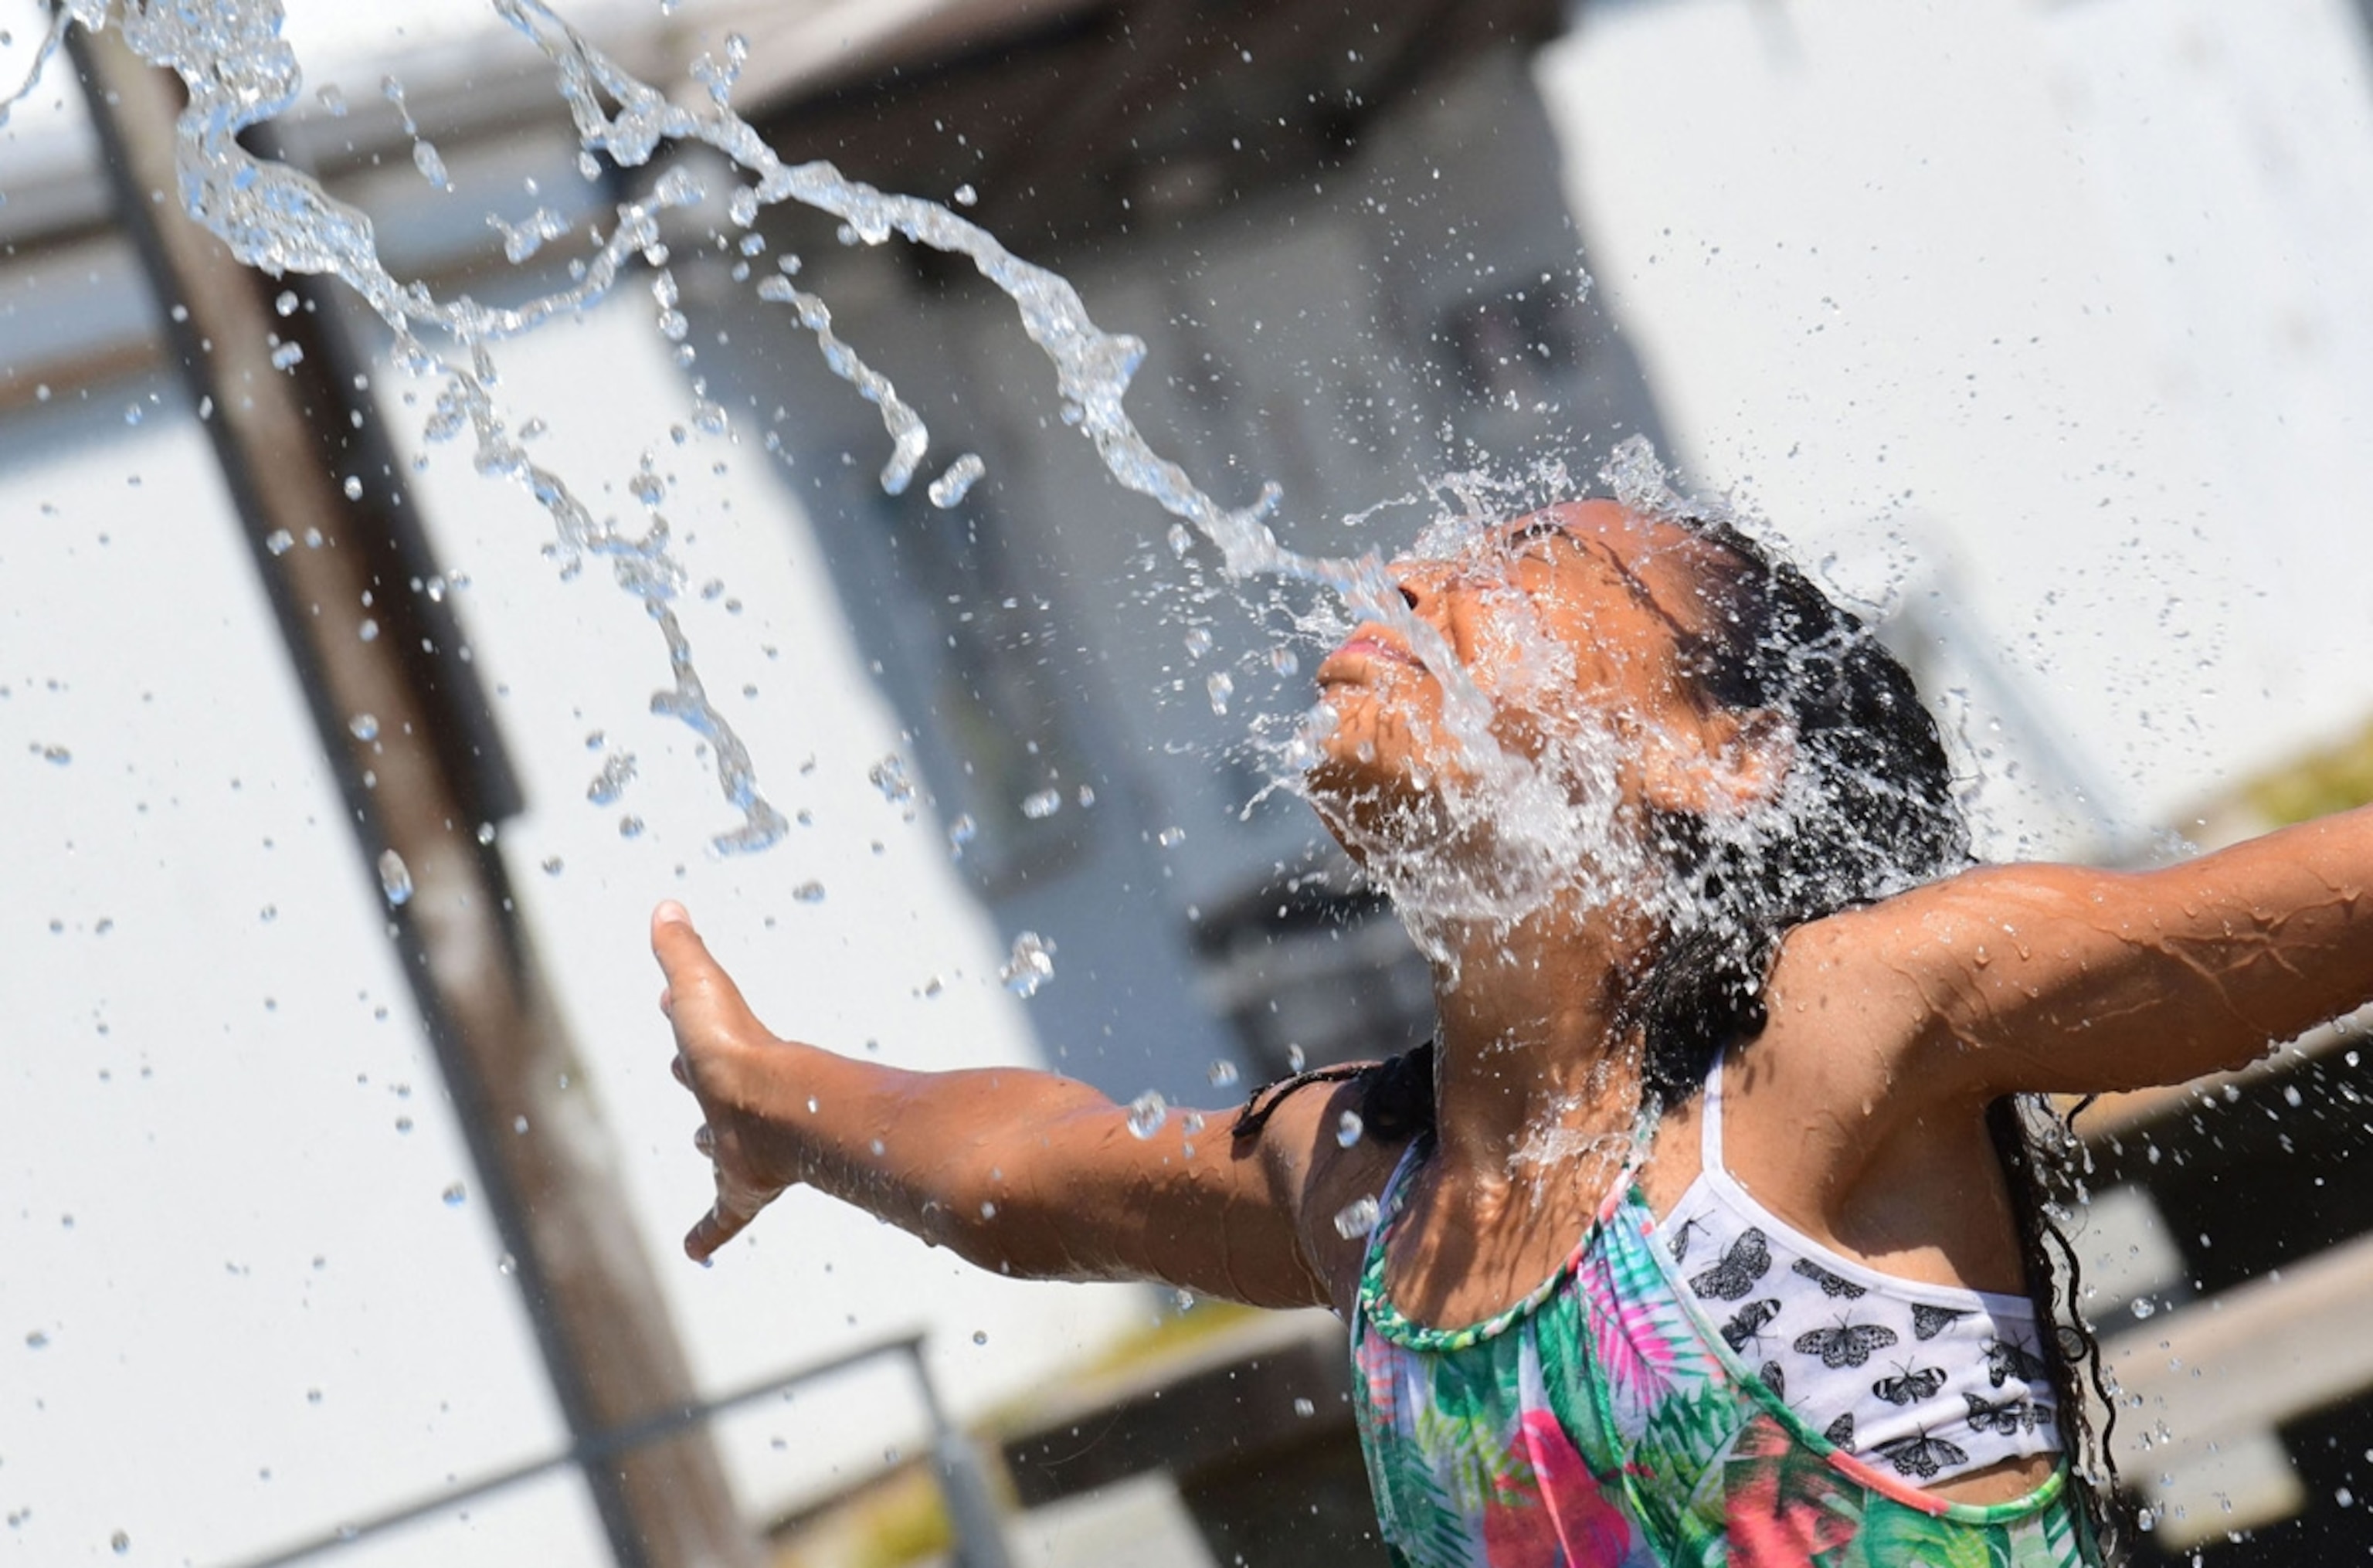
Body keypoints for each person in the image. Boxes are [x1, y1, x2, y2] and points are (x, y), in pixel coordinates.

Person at [652, 498, 2373, 1566]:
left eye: (1527, 564)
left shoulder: (1830, 1043)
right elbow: (1034, 1175)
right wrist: (771, 1095)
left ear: (1724, 755)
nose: (1409, 579)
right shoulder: (1373, 1191)